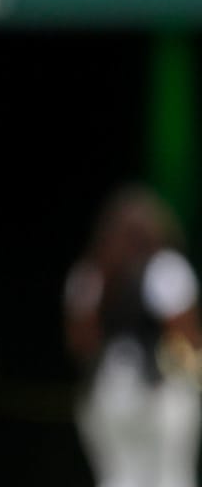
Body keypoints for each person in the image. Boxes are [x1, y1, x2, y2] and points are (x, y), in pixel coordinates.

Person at [63, 183, 202, 487]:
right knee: (171, 477)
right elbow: (186, 341)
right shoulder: (167, 269)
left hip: (108, 389)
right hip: (163, 390)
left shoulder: (90, 272)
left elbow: (80, 343)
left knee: (118, 477)